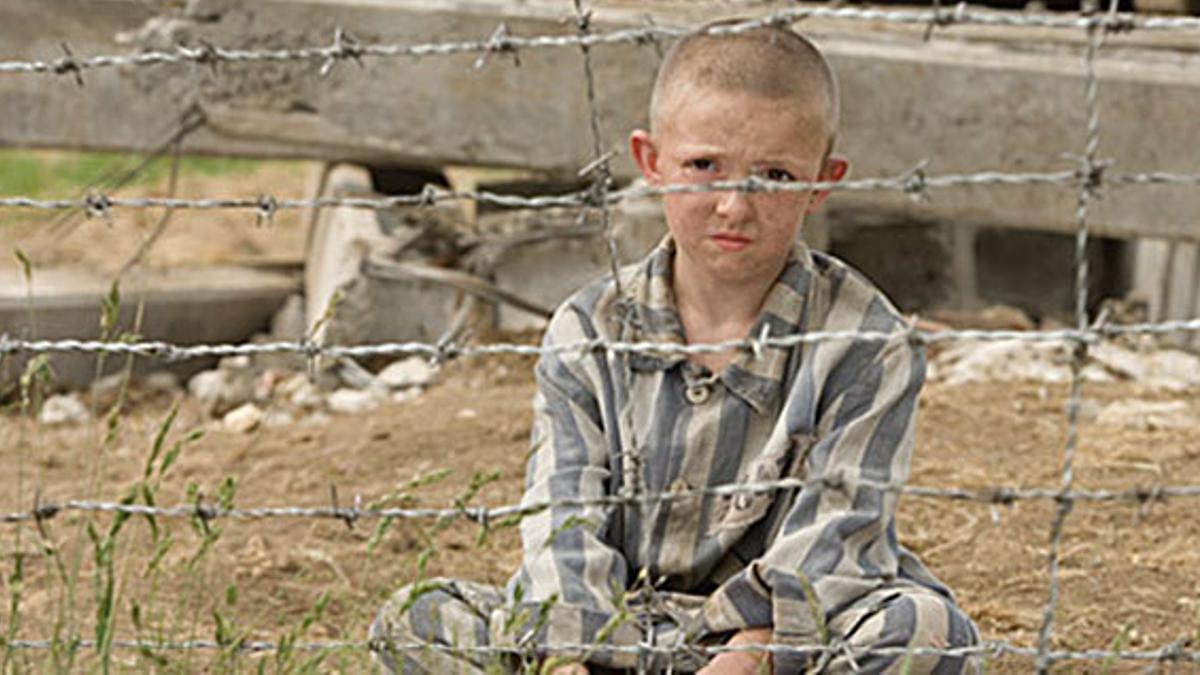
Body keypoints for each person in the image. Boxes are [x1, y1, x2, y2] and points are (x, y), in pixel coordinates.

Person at [371, 19, 979, 675]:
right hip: (614, 629)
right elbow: (563, 516)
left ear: (822, 182)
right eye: (703, 166)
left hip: (774, 644)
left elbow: (837, 537)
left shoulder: (866, 341)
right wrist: (569, 656)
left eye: (774, 174)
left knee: (926, 631)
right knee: (421, 618)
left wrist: (751, 653)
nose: (733, 205)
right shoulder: (590, 327)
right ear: (650, 162)